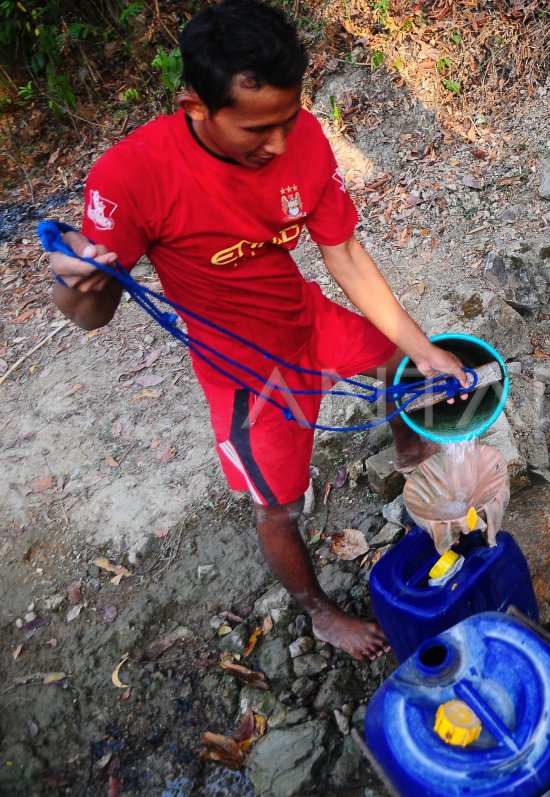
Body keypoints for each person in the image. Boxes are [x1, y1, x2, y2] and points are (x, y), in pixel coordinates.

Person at [46, 0, 466, 661]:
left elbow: (347, 256)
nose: (277, 143)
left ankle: (409, 449)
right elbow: (94, 313)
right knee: (280, 509)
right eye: (256, 129)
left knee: (394, 363)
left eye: (287, 119)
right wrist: (74, 282)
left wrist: (426, 351)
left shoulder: (302, 140)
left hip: (304, 318)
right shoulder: (133, 176)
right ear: (194, 105)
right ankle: (319, 610)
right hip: (247, 374)